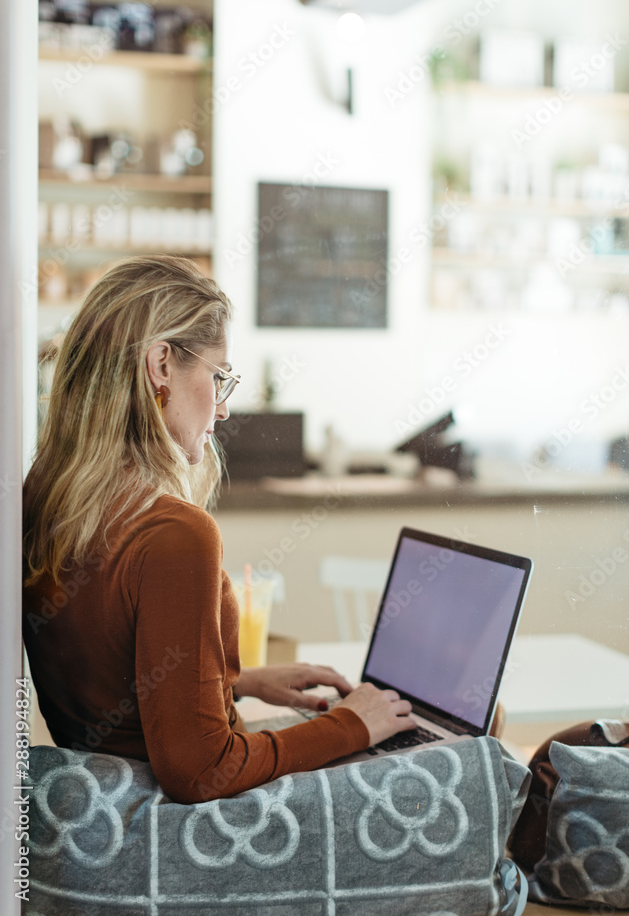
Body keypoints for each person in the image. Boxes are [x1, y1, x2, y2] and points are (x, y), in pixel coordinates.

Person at [23, 256, 415, 804]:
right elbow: (201, 769)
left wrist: (237, 681)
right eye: (218, 376)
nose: (224, 410)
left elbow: (111, 670)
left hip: (101, 811)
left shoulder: (43, 497)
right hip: (178, 833)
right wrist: (353, 725)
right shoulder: (173, 533)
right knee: (479, 751)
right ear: (161, 364)